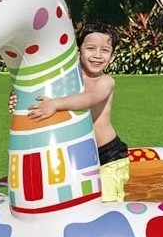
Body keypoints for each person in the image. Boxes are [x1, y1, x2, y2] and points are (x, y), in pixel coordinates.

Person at [8, 21, 129, 201]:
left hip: (108, 154)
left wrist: (55, 104)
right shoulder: (68, 78)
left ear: (112, 56)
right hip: (78, 155)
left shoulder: (105, 82)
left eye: (105, 50)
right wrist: (18, 100)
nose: (97, 55)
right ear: (79, 51)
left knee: (108, 201)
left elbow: (88, 98)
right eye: (90, 48)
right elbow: (42, 91)